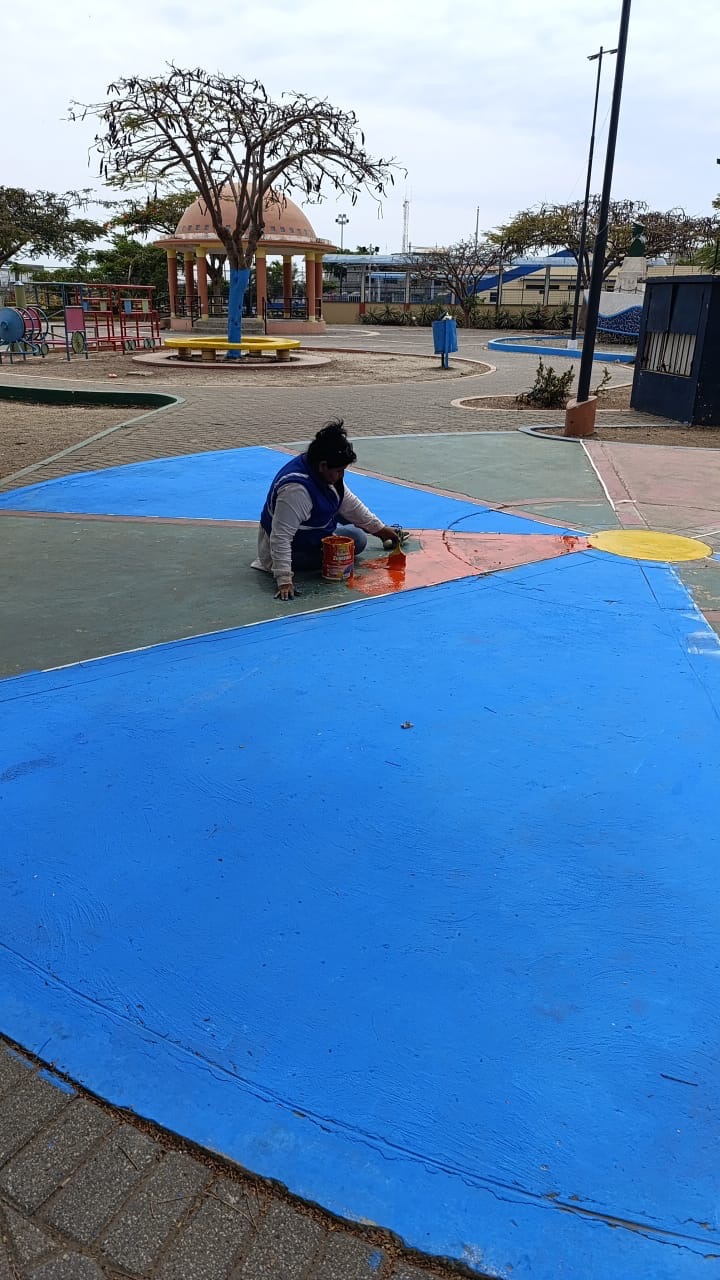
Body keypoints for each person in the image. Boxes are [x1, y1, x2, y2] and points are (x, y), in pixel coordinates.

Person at [253, 419, 400, 600]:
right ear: (323, 466)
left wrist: (381, 530)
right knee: (341, 556)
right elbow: (280, 537)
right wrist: (284, 580)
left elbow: (350, 504)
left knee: (358, 539)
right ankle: (295, 563)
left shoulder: (323, 472)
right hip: (289, 550)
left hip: (308, 537)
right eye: (339, 471)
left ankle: (323, 551)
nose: (341, 475)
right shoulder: (296, 490)